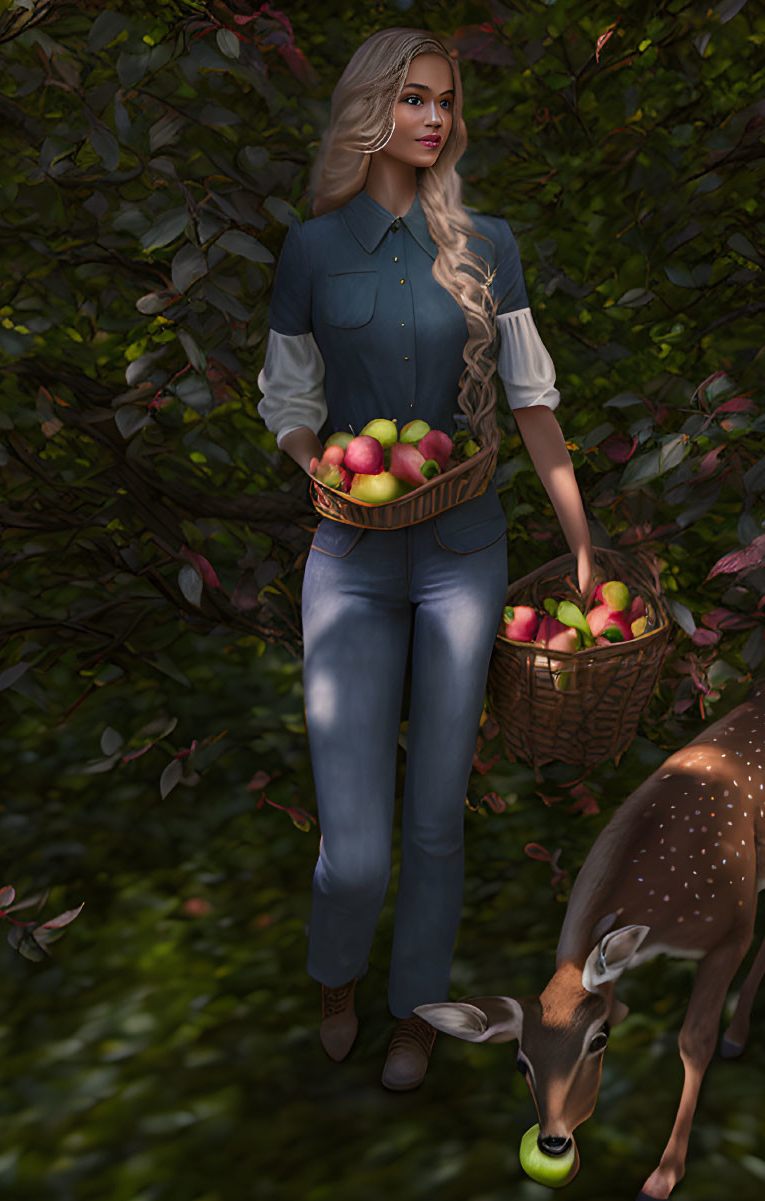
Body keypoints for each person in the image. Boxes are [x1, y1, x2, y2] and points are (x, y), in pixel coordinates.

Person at [257, 28, 594, 1092]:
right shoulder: (310, 252)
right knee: (353, 842)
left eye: (443, 100)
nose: (433, 118)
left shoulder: (485, 242)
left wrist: (577, 536)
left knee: (437, 815)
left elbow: (531, 400)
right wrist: (321, 467)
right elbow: (288, 404)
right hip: (350, 555)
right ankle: (333, 972)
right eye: (411, 99)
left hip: (462, 550)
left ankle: (415, 1010)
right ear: (371, 111)